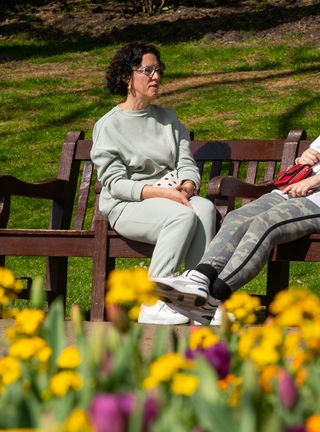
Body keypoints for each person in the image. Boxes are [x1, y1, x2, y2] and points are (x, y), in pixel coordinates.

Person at [154, 49, 320, 324]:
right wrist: (309, 158)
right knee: (238, 216)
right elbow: (317, 152)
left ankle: (213, 297)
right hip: (295, 195)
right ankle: (197, 281)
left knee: (265, 224)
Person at [91, 42, 217, 325]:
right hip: (128, 205)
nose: (156, 77)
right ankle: (154, 300)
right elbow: (114, 184)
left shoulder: (168, 119)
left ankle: (198, 300)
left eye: (158, 70)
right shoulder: (108, 126)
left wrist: (186, 187)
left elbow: (186, 164)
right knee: (181, 215)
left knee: (205, 209)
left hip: (171, 196)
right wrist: (162, 194)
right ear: (127, 77)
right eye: (147, 71)